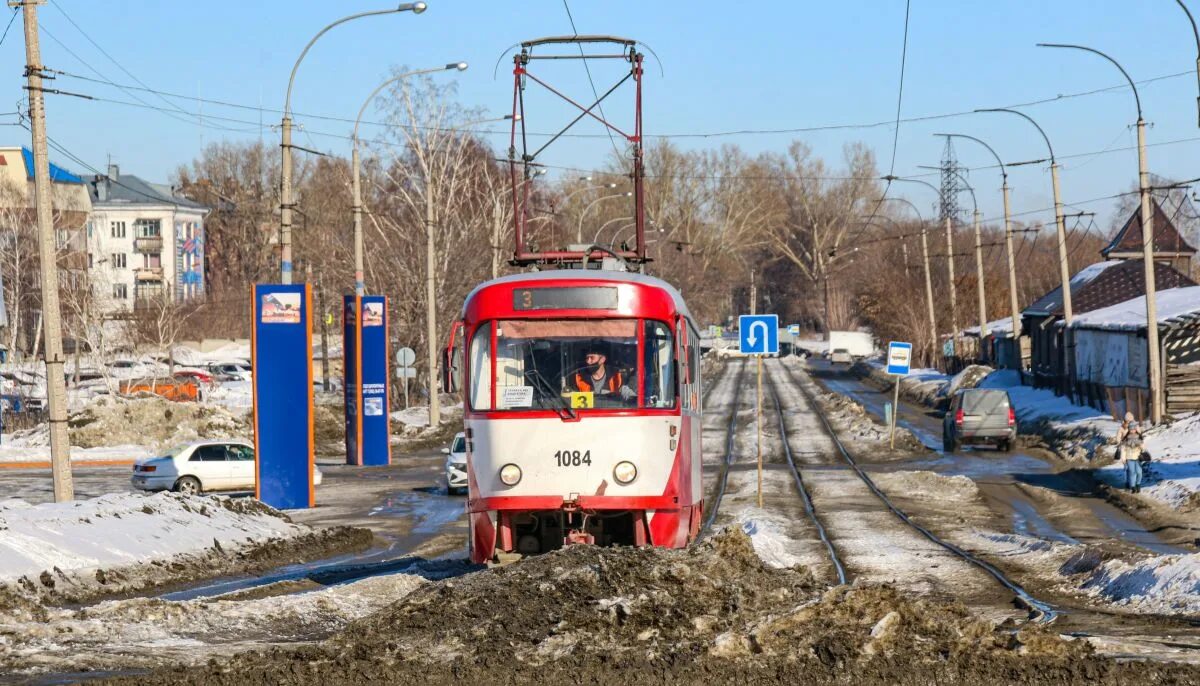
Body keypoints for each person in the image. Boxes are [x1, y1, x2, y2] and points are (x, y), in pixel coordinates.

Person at [1118, 421, 1144, 493]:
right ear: (1129, 430)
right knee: (1132, 473)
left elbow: (1143, 448)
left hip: (1138, 458)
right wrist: (1123, 458)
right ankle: (1133, 486)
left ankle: (1138, 484)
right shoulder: (1126, 439)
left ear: (1136, 429)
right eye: (1131, 429)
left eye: (1134, 429)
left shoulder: (1139, 437)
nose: (1132, 431)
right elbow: (1123, 449)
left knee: (1139, 472)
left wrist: (1141, 446)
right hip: (1129, 458)